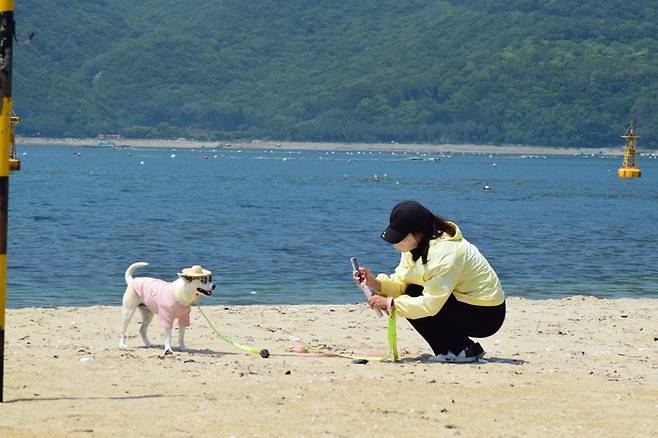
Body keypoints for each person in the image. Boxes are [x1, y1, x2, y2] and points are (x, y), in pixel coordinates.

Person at [353, 200, 505, 362]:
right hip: (462, 302)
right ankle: (456, 350)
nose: (396, 244)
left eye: (400, 238)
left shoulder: (445, 252)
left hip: (486, 313)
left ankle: (460, 350)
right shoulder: (417, 245)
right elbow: (402, 283)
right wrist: (373, 283)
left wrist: (390, 303)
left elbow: (431, 304)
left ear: (417, 233)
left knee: (414, 296)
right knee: (411, 290)